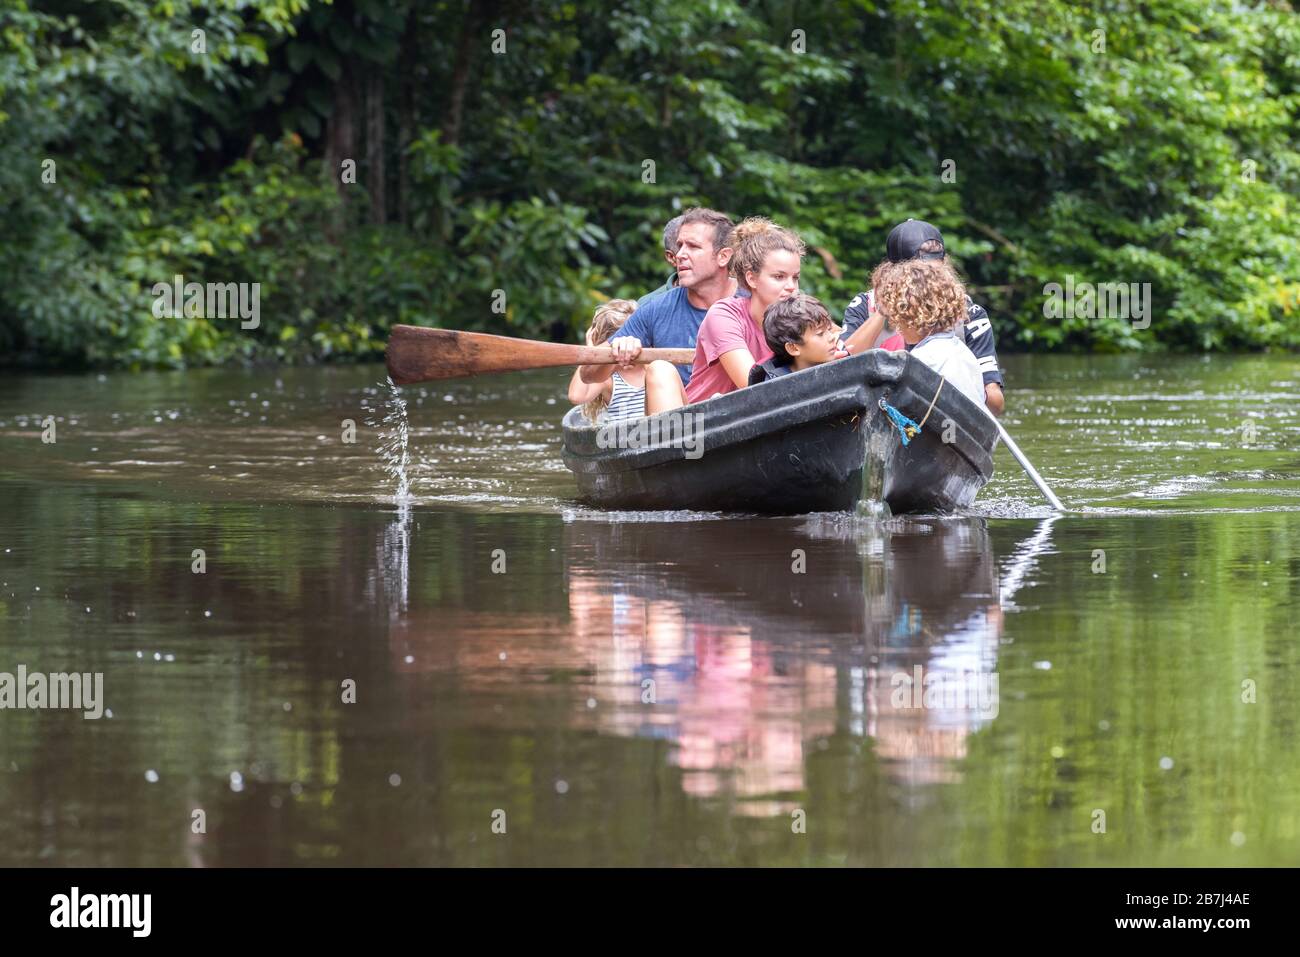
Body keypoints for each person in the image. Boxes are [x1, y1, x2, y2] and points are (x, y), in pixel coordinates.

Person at [841, 220, 1006, 416]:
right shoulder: (864, 306)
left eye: (936, 274)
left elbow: (994, 403)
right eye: (919, 276)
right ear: (892, 273)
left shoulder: (970, 314)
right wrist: (885, 310)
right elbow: (842, 375)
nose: (930, 284)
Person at [643, 217, 804, 414]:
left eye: (795, 278)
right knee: (660, 370)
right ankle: (670, 444)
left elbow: (840, 347)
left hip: (765, 423)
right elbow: (754, 384)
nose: (791, 287)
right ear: (751, 278)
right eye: (779, 277)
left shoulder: (801, 317)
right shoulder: (724, 314)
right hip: (702, 428)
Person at [577, 207, 736, 391]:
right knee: (660, 370)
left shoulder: (755, 298)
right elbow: (587, 374)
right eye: (680, 245)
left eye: (693, 246)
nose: (680, 254)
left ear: (723, 256)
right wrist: (617, 350)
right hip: (687, 415)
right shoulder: (655, 309)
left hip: (749, 407)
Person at [870, 257, 986, 408]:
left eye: (897, 315)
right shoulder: (962, 351)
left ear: (913, 314)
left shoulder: (924, 359)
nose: (894, 323)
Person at [566, 299, 645, 423]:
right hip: (626, 439)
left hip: (659, 435)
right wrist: (591, 352)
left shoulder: (653, 367)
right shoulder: (607, 378)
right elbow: (576, 396)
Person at [748, 294, 844, 384]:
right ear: (793, 348)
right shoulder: (777, 385)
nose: (831, 337)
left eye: (829, 329)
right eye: (820, 334)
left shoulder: (841, 361)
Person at [638, 214, 686, 306]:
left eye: (695, 246)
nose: (688, 253)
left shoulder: (719, 296)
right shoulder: (648, 305)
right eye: (681, 246)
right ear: (672, 257)